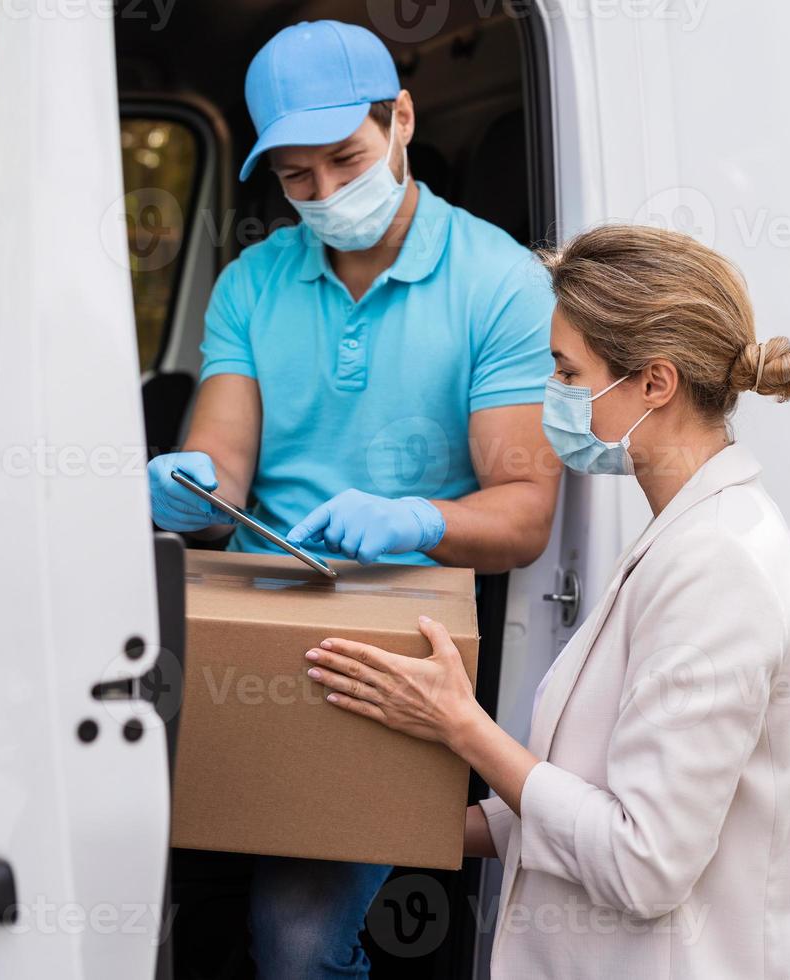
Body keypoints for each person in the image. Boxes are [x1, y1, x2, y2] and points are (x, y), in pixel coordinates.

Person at [304, 224, 790, 978]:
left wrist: (460, 725)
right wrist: (402, 825)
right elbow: (579, 792)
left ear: (654, 383)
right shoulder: (682, 532)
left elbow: (640, 862)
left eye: (564, 370)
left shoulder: (716, 564)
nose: (549, 395)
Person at [151, 18, 560, 977]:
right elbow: (221, 472)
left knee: (297, 942)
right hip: (247, 633)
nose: (326, 195)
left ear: (402, 119)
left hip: (390, 660)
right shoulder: (251, 284)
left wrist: (415, 520)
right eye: (297, 178)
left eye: (346, 158)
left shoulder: (498, 283)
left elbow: (524, 513)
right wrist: (189, 489)